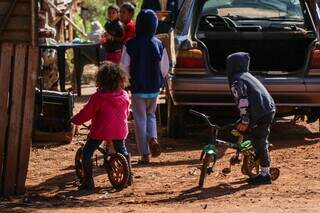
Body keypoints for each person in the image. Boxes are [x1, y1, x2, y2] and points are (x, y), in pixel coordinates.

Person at [71, 62, 132, 190]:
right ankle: (129, 176)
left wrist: (75, 120)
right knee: (122, 150)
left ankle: (88, 181)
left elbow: (86, 114)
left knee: (87, 152)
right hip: (119, 131)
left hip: (100, 131)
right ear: (121, 79)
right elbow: (126, 112)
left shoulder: (98, 97)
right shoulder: (125, 96)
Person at [120, 9, 170, 164]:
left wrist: (126, 83)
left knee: (140, 119)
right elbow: (165, 68)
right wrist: (161, 81)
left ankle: (145, 154)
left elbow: (124, 67)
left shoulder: (130, 44)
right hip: (154, 89)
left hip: (137, 88)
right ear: (155, 25)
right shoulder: (159, 44)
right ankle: (153, 138)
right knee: (151, 115)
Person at [226, 52, 276, 185]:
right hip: (265, 109)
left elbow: (242, 100)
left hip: (261, 112)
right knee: (254, 137)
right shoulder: (247, 76)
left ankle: (265, 174)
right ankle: (255, 158)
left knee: (260, 140)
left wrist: (245, 119)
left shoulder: (237, 80)